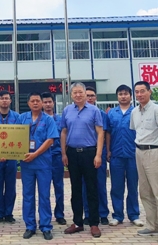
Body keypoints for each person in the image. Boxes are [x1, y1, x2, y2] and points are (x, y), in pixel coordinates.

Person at [130, 81, 158, 245]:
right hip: (139, 152)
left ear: (149, 92)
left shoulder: (157, 110)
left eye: (142, 91)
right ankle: (152, 225)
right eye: (137, 92)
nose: (139, 94)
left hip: (155, 152)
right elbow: (136, 131)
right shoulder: (134, 112)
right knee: (145, 192)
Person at [61, 82, 104, 238]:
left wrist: (98, 155)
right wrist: (63, 153)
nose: (78, 95)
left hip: (89, 153)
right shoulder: (67, 110)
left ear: (85, 93)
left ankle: (94, 223)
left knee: (92, 189)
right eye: (75, 92)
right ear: (71, 95)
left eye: (80, 92)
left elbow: (100, 133)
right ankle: (78, 222)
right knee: (76, 189)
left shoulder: (94, 110)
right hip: (72, 153)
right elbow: (64, 132)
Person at [16, 92, 58, 240]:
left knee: (44, 195)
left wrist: (35, 154)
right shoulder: (22, 118)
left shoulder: (48, 119)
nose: (35, 103)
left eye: (38, 101)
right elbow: (14, 137)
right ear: (28, 103)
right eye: (32, 101)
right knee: (28, 195)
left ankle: (46, 226)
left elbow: (50, 140)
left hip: (43, 163)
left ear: (41, 103)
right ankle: (30, 226)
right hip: (26, 163)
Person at [105, 85, 143, 227]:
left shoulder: (137, 111)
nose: (123, 96)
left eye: (126, 94)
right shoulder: (111, 113)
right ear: (117, 96)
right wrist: (108, 150)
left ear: (130, 96)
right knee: (116, 187)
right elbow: (108, 133)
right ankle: (117, 215)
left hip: (133, 154)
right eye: (120, 94)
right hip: (116, 154)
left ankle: (134, 215)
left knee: (133, 186)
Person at [0, 90, 20, 224]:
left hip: (11, 156)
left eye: (7, 98)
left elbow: (20, 136)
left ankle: (8, 213)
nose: (4, 101)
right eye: (1, 98)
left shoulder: (17, 117)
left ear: (10, 101)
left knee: (10, 185)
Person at [82, 87, 110, 225]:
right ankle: (88, 214)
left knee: (100, 183)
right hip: (84, 152)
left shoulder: (101, 113)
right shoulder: (78, 113)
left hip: (99, 151)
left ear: (96, 97)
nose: (90, 98)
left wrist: (105, 151)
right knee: (85, 184)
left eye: (92, 95)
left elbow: (105, 133)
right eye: (87, 95)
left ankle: (103, 213)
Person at [42, 92, 66, 225]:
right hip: (43, 157)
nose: (47, 104)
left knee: (59, 187)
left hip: (57, 157)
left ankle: (59, 214)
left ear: (53, 103)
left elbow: (64, 137)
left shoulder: (61, 119)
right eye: (45, 102)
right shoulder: (38, 119)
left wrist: (64, 154)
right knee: (44, 188)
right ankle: (45, 215)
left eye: (49, 102)